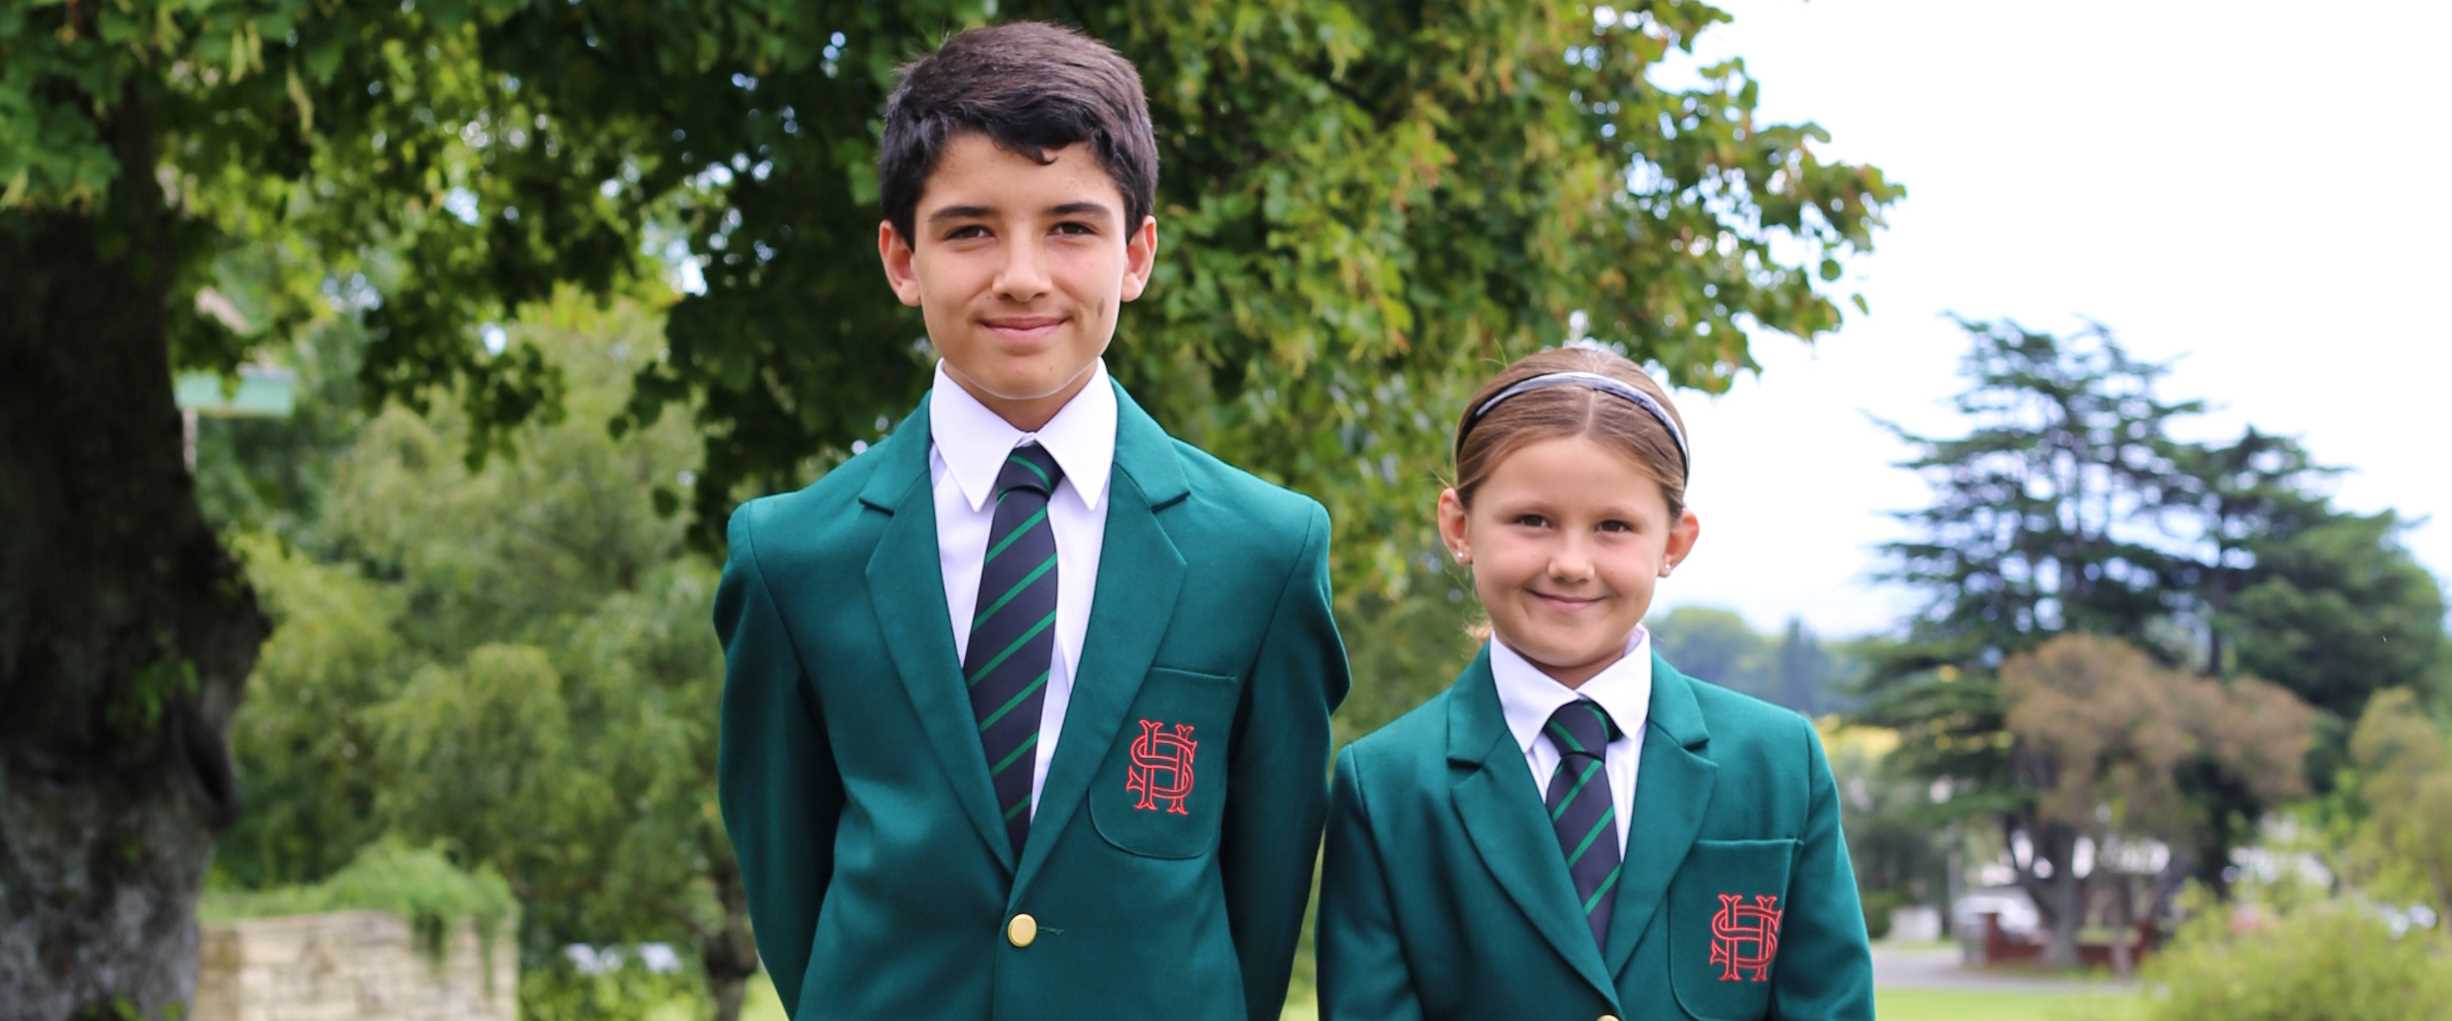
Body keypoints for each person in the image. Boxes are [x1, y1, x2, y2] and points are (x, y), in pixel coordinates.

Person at [714, 21, 1349, 1020]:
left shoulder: (1262, 552)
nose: (1020, 274)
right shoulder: (791, 558)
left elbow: (1263, 902)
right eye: (970, 230)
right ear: (901, 258)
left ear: (1136, 254)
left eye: (1070, 227)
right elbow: (790, 885)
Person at [1315, 347, 1874, 1020]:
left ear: (1674, 542)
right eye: (1532, 520)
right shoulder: (1386, 786)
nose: (1571, 563)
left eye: (1614, 526)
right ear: (1459, 527)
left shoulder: (1778, 761)